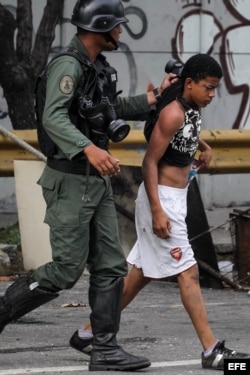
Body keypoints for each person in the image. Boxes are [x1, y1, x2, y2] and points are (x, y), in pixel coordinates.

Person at [0, 0, 178, 372]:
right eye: (116, 26)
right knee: (66, 270)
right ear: (100, 27)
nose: (120, 32)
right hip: (70, 180)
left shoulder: (96, 67)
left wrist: (153, 99)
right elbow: (53, 117)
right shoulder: (68, 65)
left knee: (111, 266)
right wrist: (89, 148)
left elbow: (110, 107)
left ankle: (105, 349)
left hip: (94, 182)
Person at [69, 53, 250, 370]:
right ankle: (211, 351)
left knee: (138, 276)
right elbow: (149, 163)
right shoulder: (171, 114)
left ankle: (88, 333)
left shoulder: (191, 107)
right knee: (188, 271)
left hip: (174, 198)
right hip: (161, 200)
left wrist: (203, 149)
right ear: (190, 83)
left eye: (215, 89)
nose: (212, 95)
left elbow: (188, 133)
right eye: (208, 88)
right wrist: (156, 211)